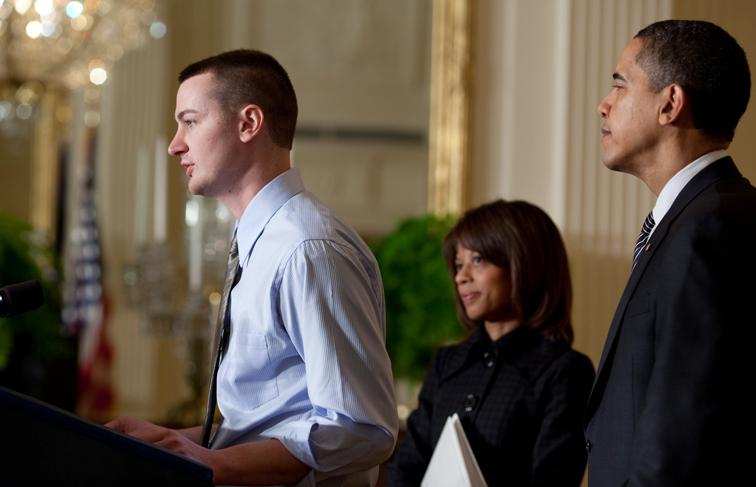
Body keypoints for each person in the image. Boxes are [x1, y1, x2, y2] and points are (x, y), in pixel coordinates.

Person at [106, 49, 398, 486]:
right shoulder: (261, 238)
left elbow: (362, 428)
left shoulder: (307, 249)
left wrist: (216, 464)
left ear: (248, 123)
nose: (175, 143)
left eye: (190, 120)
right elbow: (273, 417)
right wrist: (178, 442)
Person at [585, 20, 756, 486]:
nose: (604, 103)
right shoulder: (698, 218)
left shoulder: (712, 227)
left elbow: (684, 427)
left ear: (670, 104)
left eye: (620, 84)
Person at [386, 200, 595, 486]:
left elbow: (553, 478)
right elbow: (408, 465)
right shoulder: (448, 362)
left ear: (524, 262)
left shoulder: (566, 371)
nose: (461, 276)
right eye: (459, 265)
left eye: (478, 260)